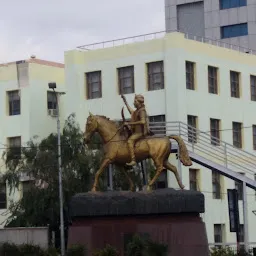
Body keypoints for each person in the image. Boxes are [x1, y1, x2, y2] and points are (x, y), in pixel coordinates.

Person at [121, 94, 152, 166]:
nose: (134, 103)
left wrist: (130, 123)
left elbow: (143, 121)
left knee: (130, 141)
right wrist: (125, 101)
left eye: (135, 101)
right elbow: (131, 111)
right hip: (136, 132)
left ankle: (133, 159)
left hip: (140, 132)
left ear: (139, 102)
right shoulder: (137, 111)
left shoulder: (142, 111)